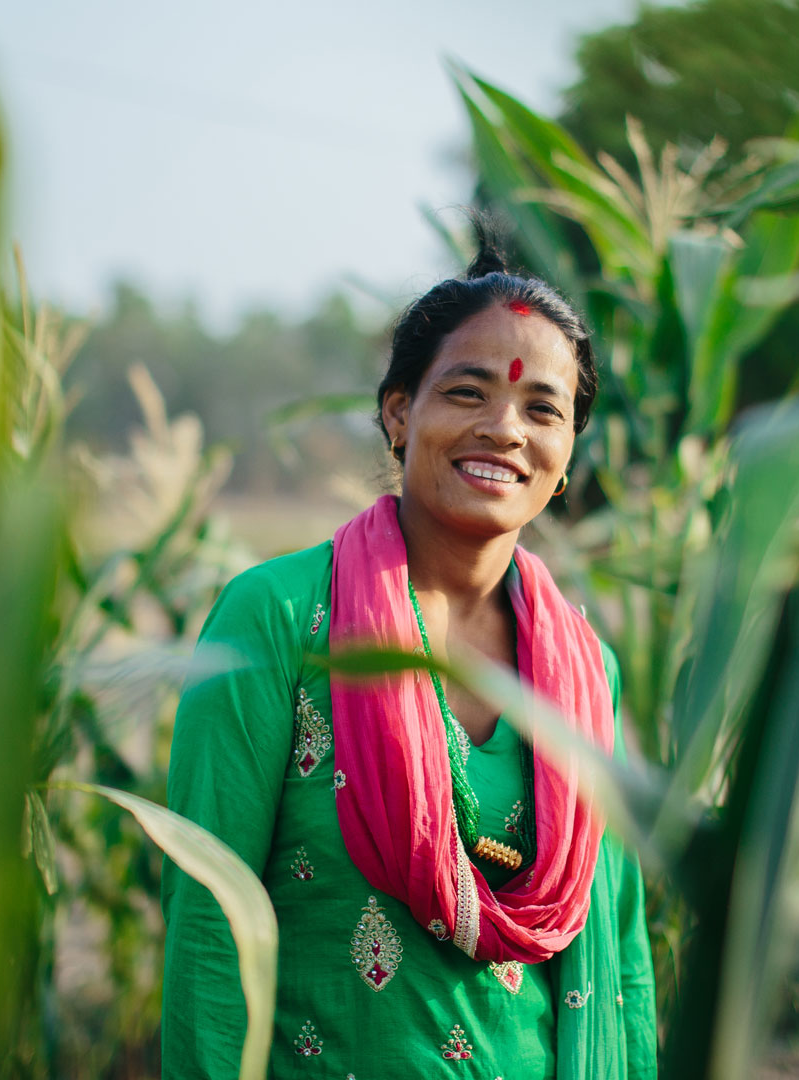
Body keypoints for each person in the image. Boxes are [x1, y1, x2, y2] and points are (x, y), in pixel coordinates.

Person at [159, 243, 658, 1079]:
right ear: (398, 413)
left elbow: (623, 959)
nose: (504, 429)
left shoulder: (585, 670)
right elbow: (210, 927)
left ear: (569, 453)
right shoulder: (277, 620)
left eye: (543, 409)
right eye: (468, 392)